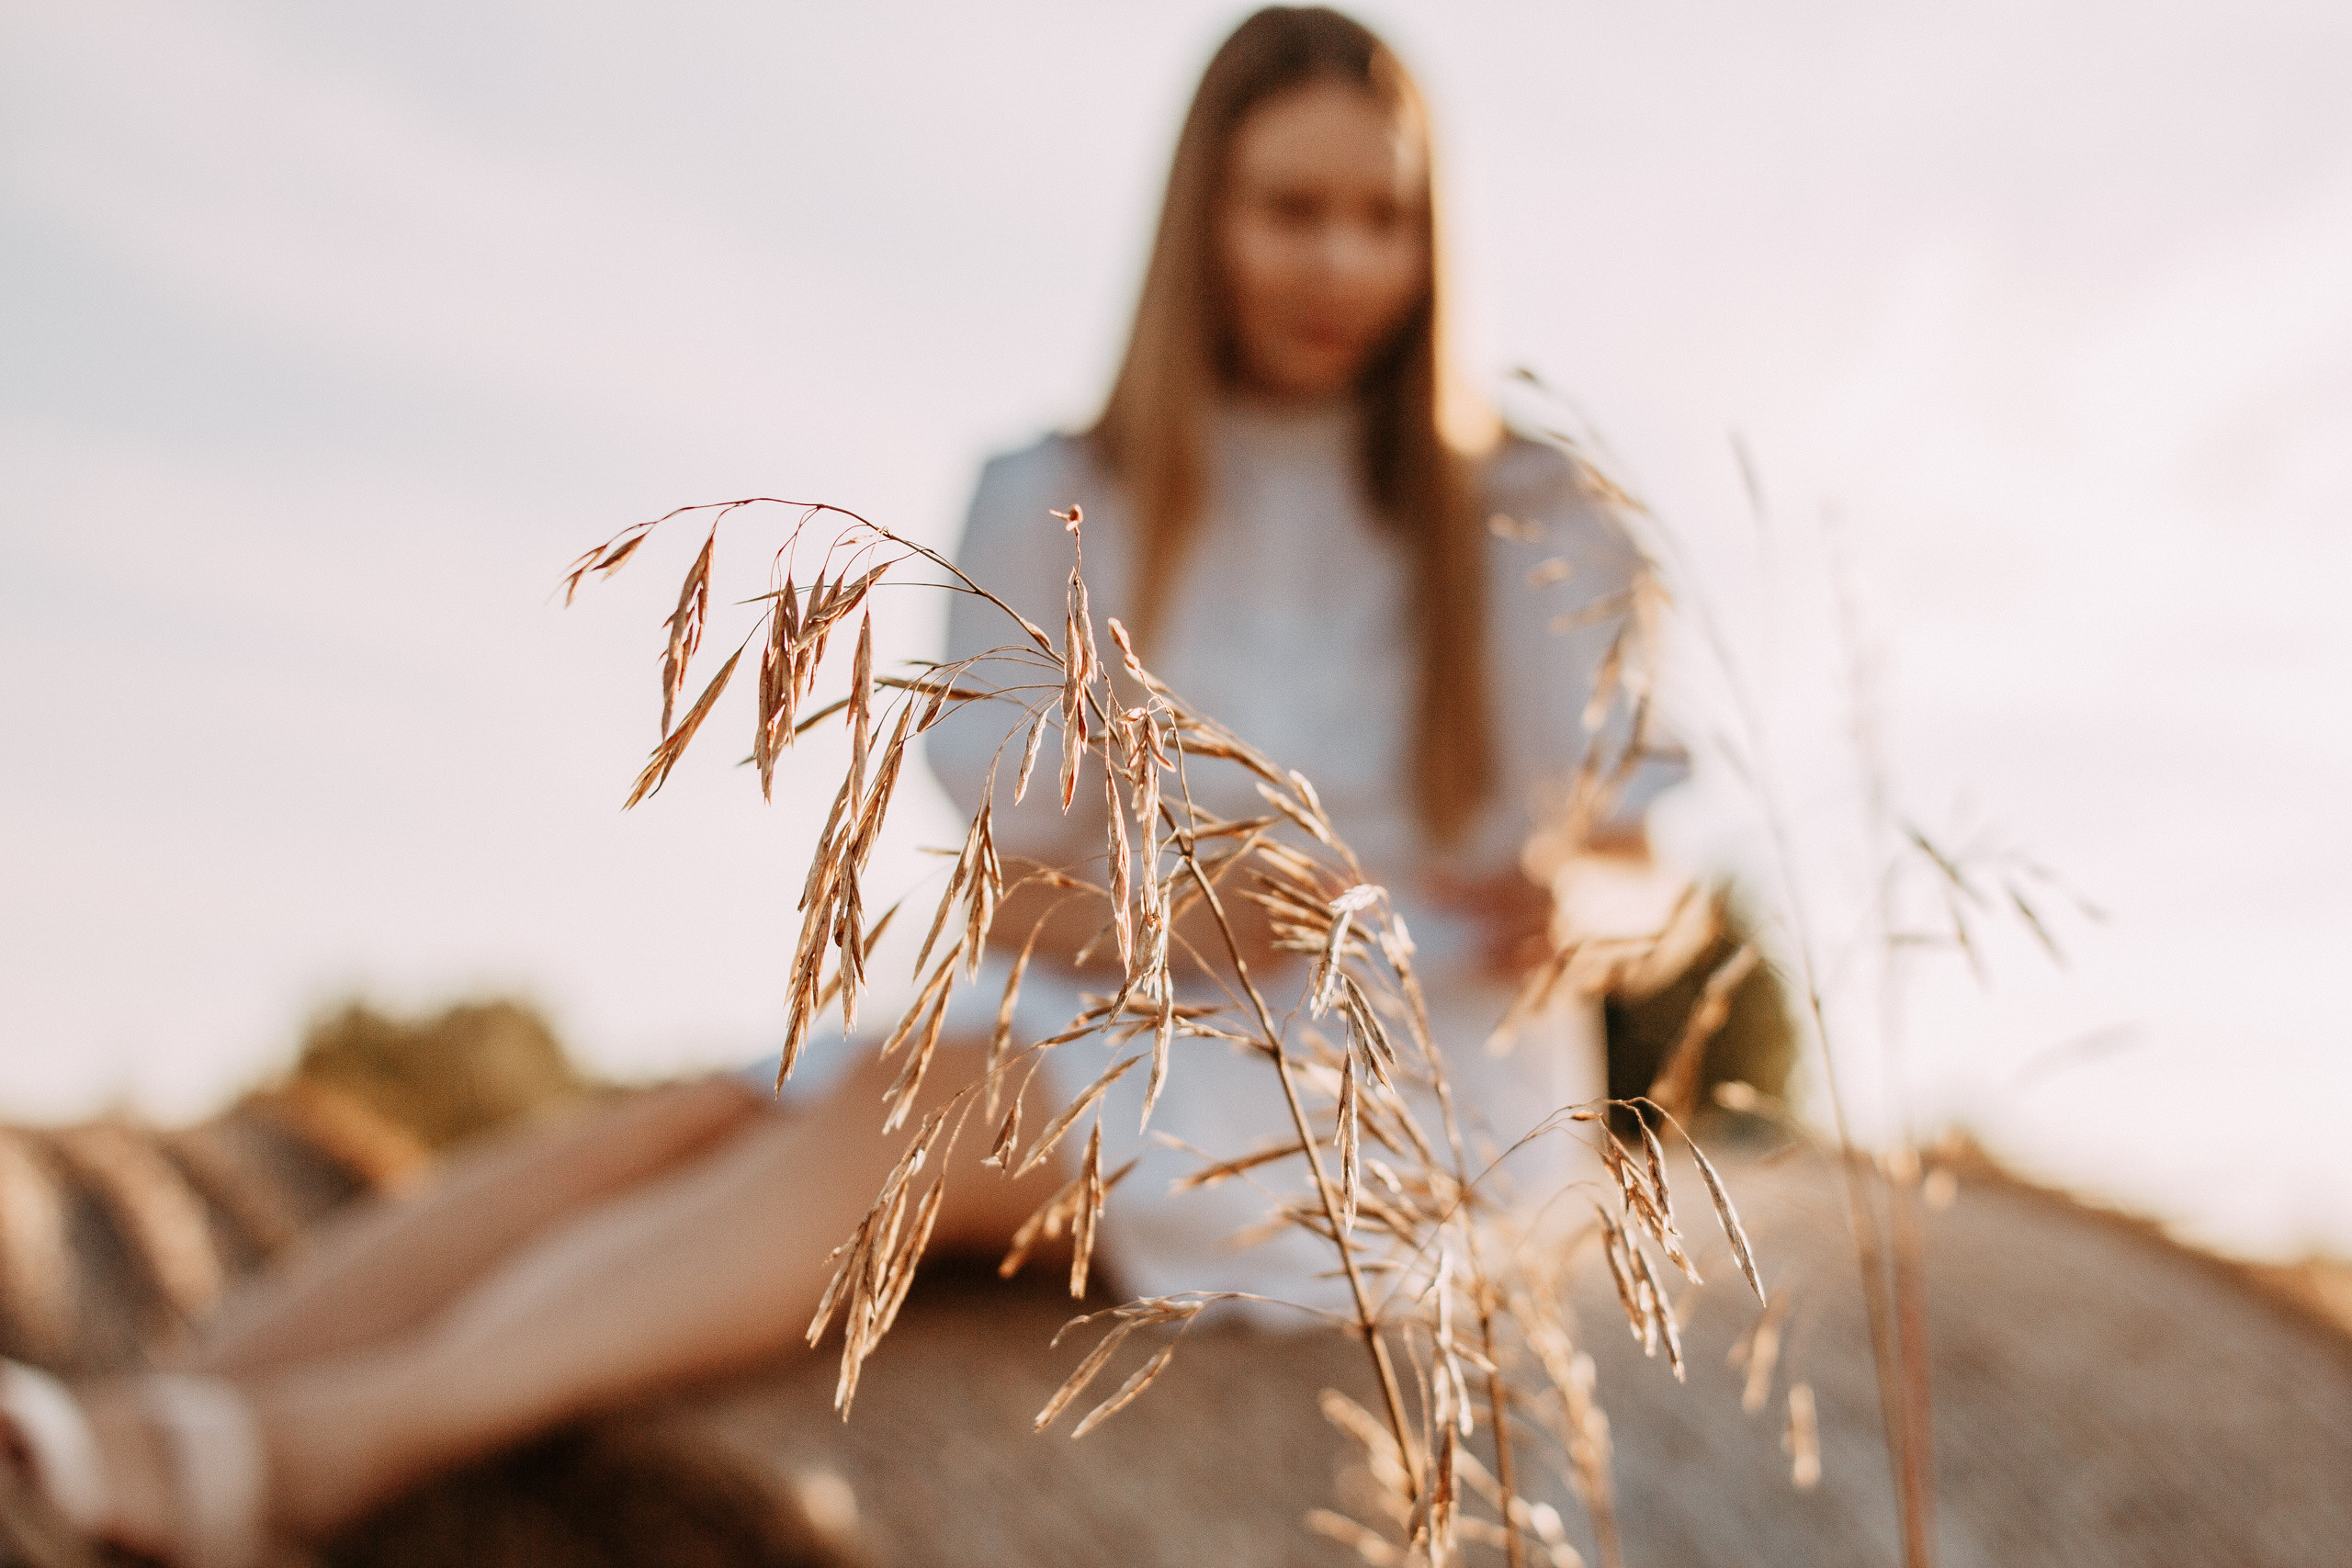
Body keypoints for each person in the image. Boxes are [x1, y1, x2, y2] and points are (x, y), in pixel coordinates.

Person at [0, 9, 1679, 1564]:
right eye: (1288, 210)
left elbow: (1650, 873)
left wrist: (1580, 909)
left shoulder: (1538, 516)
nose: (1337, 262)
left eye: (1381, 219)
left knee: (928, 1106)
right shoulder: (1062, 491)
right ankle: (140, 1410)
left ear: (1435, 234)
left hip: (1411, 1093)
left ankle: (317, 1455)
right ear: (1201, 218)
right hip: (1110, 1006)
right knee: (689, 1120)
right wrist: (1173, 927)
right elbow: (1011, 885)